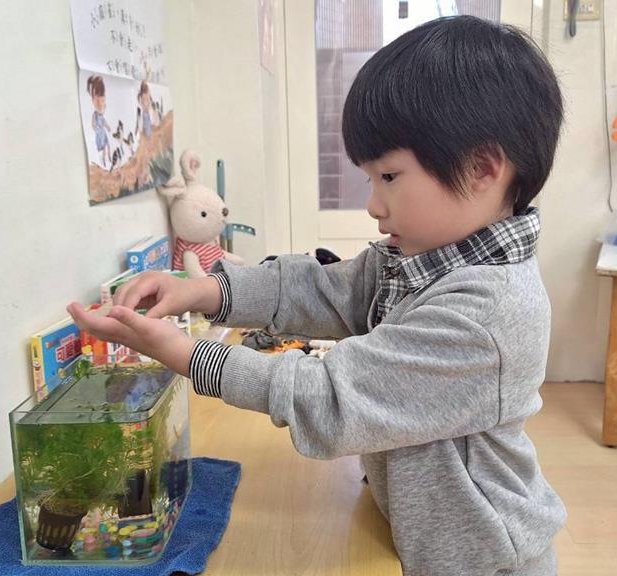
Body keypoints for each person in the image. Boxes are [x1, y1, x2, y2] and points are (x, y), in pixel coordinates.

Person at [69, 15, 565, 576]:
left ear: (481, 169)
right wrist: (201, 289)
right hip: (411, 532)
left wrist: (186, 354)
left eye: (389, 177)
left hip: (480, 560)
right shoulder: (420, 261)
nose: (373, 204)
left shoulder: (487, 315)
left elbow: (330, 397)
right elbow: (322, 288)